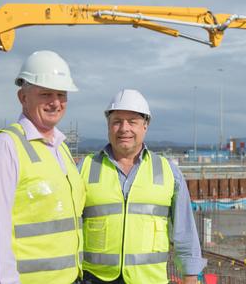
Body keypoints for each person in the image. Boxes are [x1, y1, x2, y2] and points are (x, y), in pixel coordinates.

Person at [0, 50, 85, 284]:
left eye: (61, 94)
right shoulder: (4, 146)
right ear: (23, 97)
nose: (55, 102)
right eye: (46, 94)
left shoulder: (61, 148)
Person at [79, 89, 205, 284]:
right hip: (94, 279)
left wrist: (190, 277)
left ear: (145, 126)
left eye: (132, 121)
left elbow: (185, 231)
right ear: (108, 126)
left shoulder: (167, 171)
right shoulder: (85, 168)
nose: (124, 128)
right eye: (117, 121)